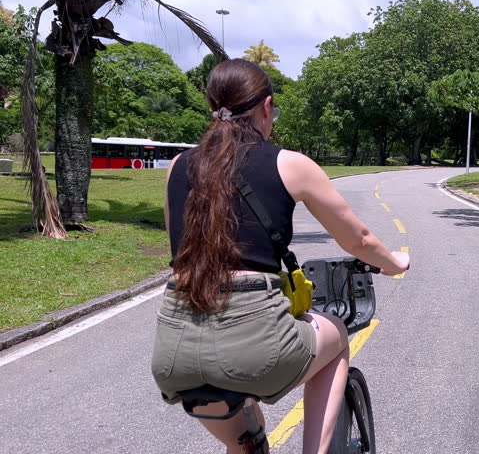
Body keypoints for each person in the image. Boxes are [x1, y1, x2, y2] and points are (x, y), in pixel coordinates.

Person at [151, 59, 410, 454]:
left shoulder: (177, 167)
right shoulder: (289, 163)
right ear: (266, 107)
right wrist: (395, 264)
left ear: (211, 107)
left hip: (175, 352)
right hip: (254, 339)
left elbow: (179, 251)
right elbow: (358, 239)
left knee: (246, 445)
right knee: (337, 335)